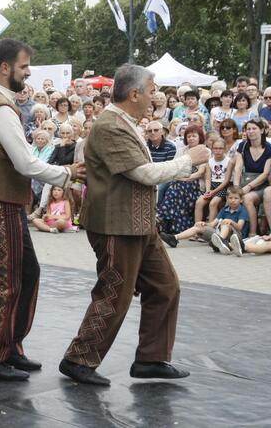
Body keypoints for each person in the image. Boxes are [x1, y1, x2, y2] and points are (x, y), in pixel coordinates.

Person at [59, 64, 209, 386]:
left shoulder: (123, 122)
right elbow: (143, 173)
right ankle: (78, 359)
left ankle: (151, 359)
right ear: (135, 93)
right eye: (152, 89)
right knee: (115, 293)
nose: (156, 96)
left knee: (165, 286)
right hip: (117, 225)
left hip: (138, 224)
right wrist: (189, 159)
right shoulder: (111, 125)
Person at [0, 39, 83, 381]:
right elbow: (26, 163)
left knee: (26, 273)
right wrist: (69, 173)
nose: (28, 72)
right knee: (6, 281)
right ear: (5, 67)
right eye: (24, 66)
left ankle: (10, 347)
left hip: (2, 199)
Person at [160, 186, 248, 255]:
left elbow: (240, 227)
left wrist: (231, 222)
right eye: (230, 198)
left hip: (235, 236)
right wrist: (204, 223)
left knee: (226, 224)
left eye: (236, 198)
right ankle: (174, 238)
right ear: (227, 199)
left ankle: (221, 242)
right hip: (218, 234)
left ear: (241, 200)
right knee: (198, 226)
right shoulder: (224, 209)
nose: (233, 200)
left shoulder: (242, 210)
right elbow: (213, 224)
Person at [157, 125, 206, 234]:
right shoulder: (181, 151)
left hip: (195, 183)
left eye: (194, 136)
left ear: (200, 137)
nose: (191, 138)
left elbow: (200, 172)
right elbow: (175, 166)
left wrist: (184, 179)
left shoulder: (204, 150)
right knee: (174, 189)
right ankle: (170, 224)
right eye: (188, 136)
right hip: (179, 181)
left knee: (175, 188)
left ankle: (161, 217)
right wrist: (180, 178)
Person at [232, 119, 271, 236]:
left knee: (247, 198)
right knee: (233, 196)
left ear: (262, 130)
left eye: (254, 128)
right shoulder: (243, 146)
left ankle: (252, 233)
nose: (250, 131)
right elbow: (238, 168)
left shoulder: (269, 148)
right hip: (245, 180)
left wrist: (249, 187)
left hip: (260, 184)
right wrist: (236, 187)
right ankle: (231, 231)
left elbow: (265, 174)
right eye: (248, 129)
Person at [194, 138, 231, 225]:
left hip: (223, 186)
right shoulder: (210, 161)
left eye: (220, 148)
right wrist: (208, 190)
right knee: (199, 202)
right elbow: (208, 178)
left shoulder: (229, 161)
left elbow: (226, 180)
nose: (218, 151)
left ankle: (209, 229)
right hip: (211, 185)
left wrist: (213, 191)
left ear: (225, 149)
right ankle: (197, 227)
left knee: (213, 203)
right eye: (215, 148)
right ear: (212, 149)